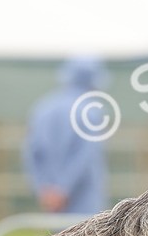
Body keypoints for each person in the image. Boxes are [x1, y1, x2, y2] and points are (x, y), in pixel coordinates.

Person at [22, 56, 110, 215]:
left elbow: (33, 152)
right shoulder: (90, 111)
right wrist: (63, 189)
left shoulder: (43, 108)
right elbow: (85, 155)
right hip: (83, 200)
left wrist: (44, 189)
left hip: (52, 202)